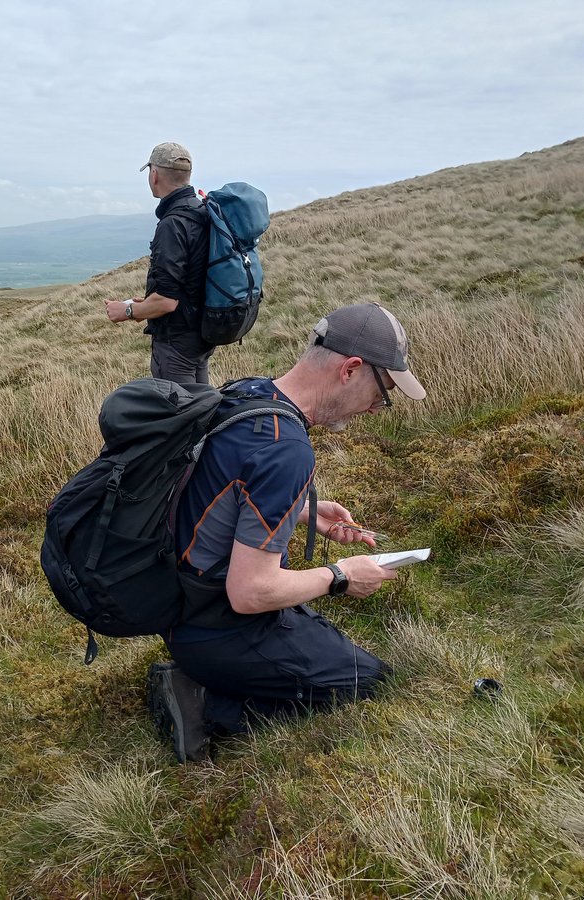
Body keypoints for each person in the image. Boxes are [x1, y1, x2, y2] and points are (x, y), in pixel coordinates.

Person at [146, 301, 428, 763]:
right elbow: (251, 592)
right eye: (383, 391)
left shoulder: (247, 395)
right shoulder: (285, 449)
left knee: (328, 645)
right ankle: (201, 700)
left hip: (176, 604)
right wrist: (340, 576)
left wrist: (302, 513)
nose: (378, 408)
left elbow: (214, 490)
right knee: (372, 683)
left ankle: (208, 676)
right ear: (351, 369)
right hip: (218, 625)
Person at [105, 142, 214, 384]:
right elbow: (191, 280)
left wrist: (128, 311)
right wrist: (149, 304)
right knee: (202, 411)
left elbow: (166, 302)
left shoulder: (173, 223)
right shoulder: (202, 212)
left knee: (180, 417)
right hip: (201, 335)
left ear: (154, 175)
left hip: (177, 343)